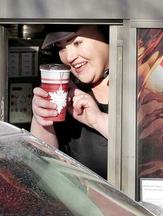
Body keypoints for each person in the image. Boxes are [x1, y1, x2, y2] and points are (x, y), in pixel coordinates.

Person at [30, 25, 109, 179]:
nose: (69, 57)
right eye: (61, 48)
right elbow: (43, 166)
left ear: (107, 34)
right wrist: (41, 120)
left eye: (77, 43)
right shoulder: (68, 96)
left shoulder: (145, 89)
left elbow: (152, 150)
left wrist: (98, 120)